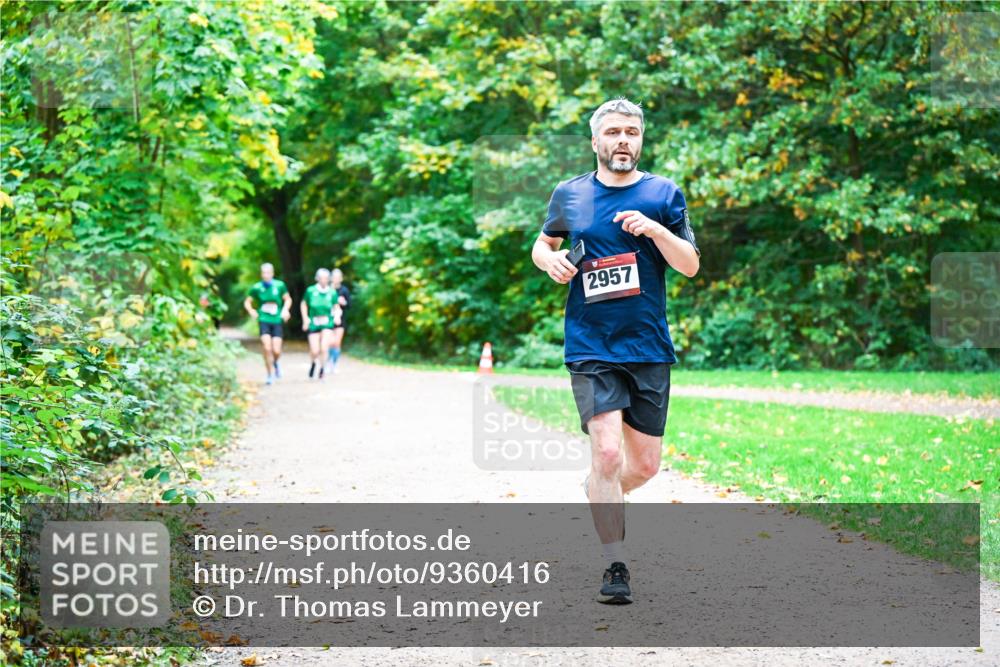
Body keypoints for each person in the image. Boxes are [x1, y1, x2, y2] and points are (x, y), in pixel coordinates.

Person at [530, 97, 700, 604]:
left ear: (641, 139)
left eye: (631, 132)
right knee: (607, 451)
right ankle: (615, 565)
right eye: (613, 132)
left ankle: (600, 486)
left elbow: (690, 264)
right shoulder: (571, 194)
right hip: (591, 343)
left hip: (647, 346)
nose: (623, 140)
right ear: (595, 140)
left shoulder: (662, 194)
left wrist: (655, 229)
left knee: (642, 466)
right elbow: (543, 244)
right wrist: (549, 262)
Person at [244, 263, 292, 385]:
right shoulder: (256, 287)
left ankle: (275, 362)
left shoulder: (279, 285)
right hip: (264, 319)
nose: (266, 275)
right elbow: (248, 302)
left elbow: (288, 299)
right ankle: (269, 374)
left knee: (276, 350)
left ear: (272, 273)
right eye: (263, 273)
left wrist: (285, 310)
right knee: (267, 347)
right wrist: (251, 311)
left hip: (276, 320)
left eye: (268, 273)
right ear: (261, 274)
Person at [301, 268, 337, 380]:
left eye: (326, 278)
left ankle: (322, 369)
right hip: (314, 323)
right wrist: (305, 319)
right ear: (317, 278)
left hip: (327, 323)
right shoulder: (311, 291)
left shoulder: (332, 292)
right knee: (315, 350)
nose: (324, 280)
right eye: (321, 278)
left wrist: (337, 316)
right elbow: (304, 304)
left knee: (324, 348)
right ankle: (313, 363)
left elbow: (336, 307)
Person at [326, 268, 351, 374]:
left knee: (337, 343)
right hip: (328, 319)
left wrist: (343, 302)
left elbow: (350, 305)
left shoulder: (344, 290)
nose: (336, 279)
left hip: (340, 320)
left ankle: (334, 363)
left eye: (338, 277)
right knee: (329, 342)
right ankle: (328, 362)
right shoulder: (326, 289)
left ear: (341, 279)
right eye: (334, 277)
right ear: (331, 278)